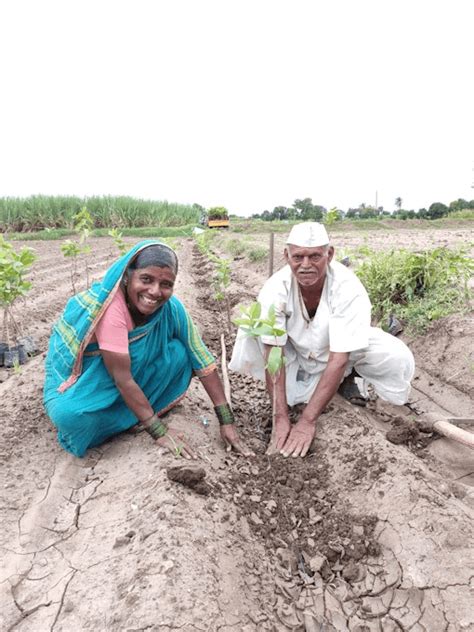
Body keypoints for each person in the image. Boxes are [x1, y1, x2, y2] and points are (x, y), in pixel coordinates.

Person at [44, 240, 250, 459]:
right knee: (71, 418)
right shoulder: (112, 311)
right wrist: (159, 431)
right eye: (146, 279)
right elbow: (122, 378)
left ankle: (131, 415)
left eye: (166, 284)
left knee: (182, 355)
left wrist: (226, 420)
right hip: (97, 381)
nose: (155, 292)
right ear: (127, 277)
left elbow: (202, 359)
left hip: (130, 378)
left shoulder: (172, 309)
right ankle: (135, 416)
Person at [229, 222, 415, 458]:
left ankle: (351, 377)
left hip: (339, 356)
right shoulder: (275, 289)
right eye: (298, 257)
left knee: (395, 356)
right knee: (253, 336)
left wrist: (307, 421)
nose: (306, 265)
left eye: (315, 256)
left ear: (330, 254)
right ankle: (319, 389)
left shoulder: (348, 288)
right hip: (295, 354)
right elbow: (273, 353)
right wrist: (280, 417)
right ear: (286, 256)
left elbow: (339, 358)